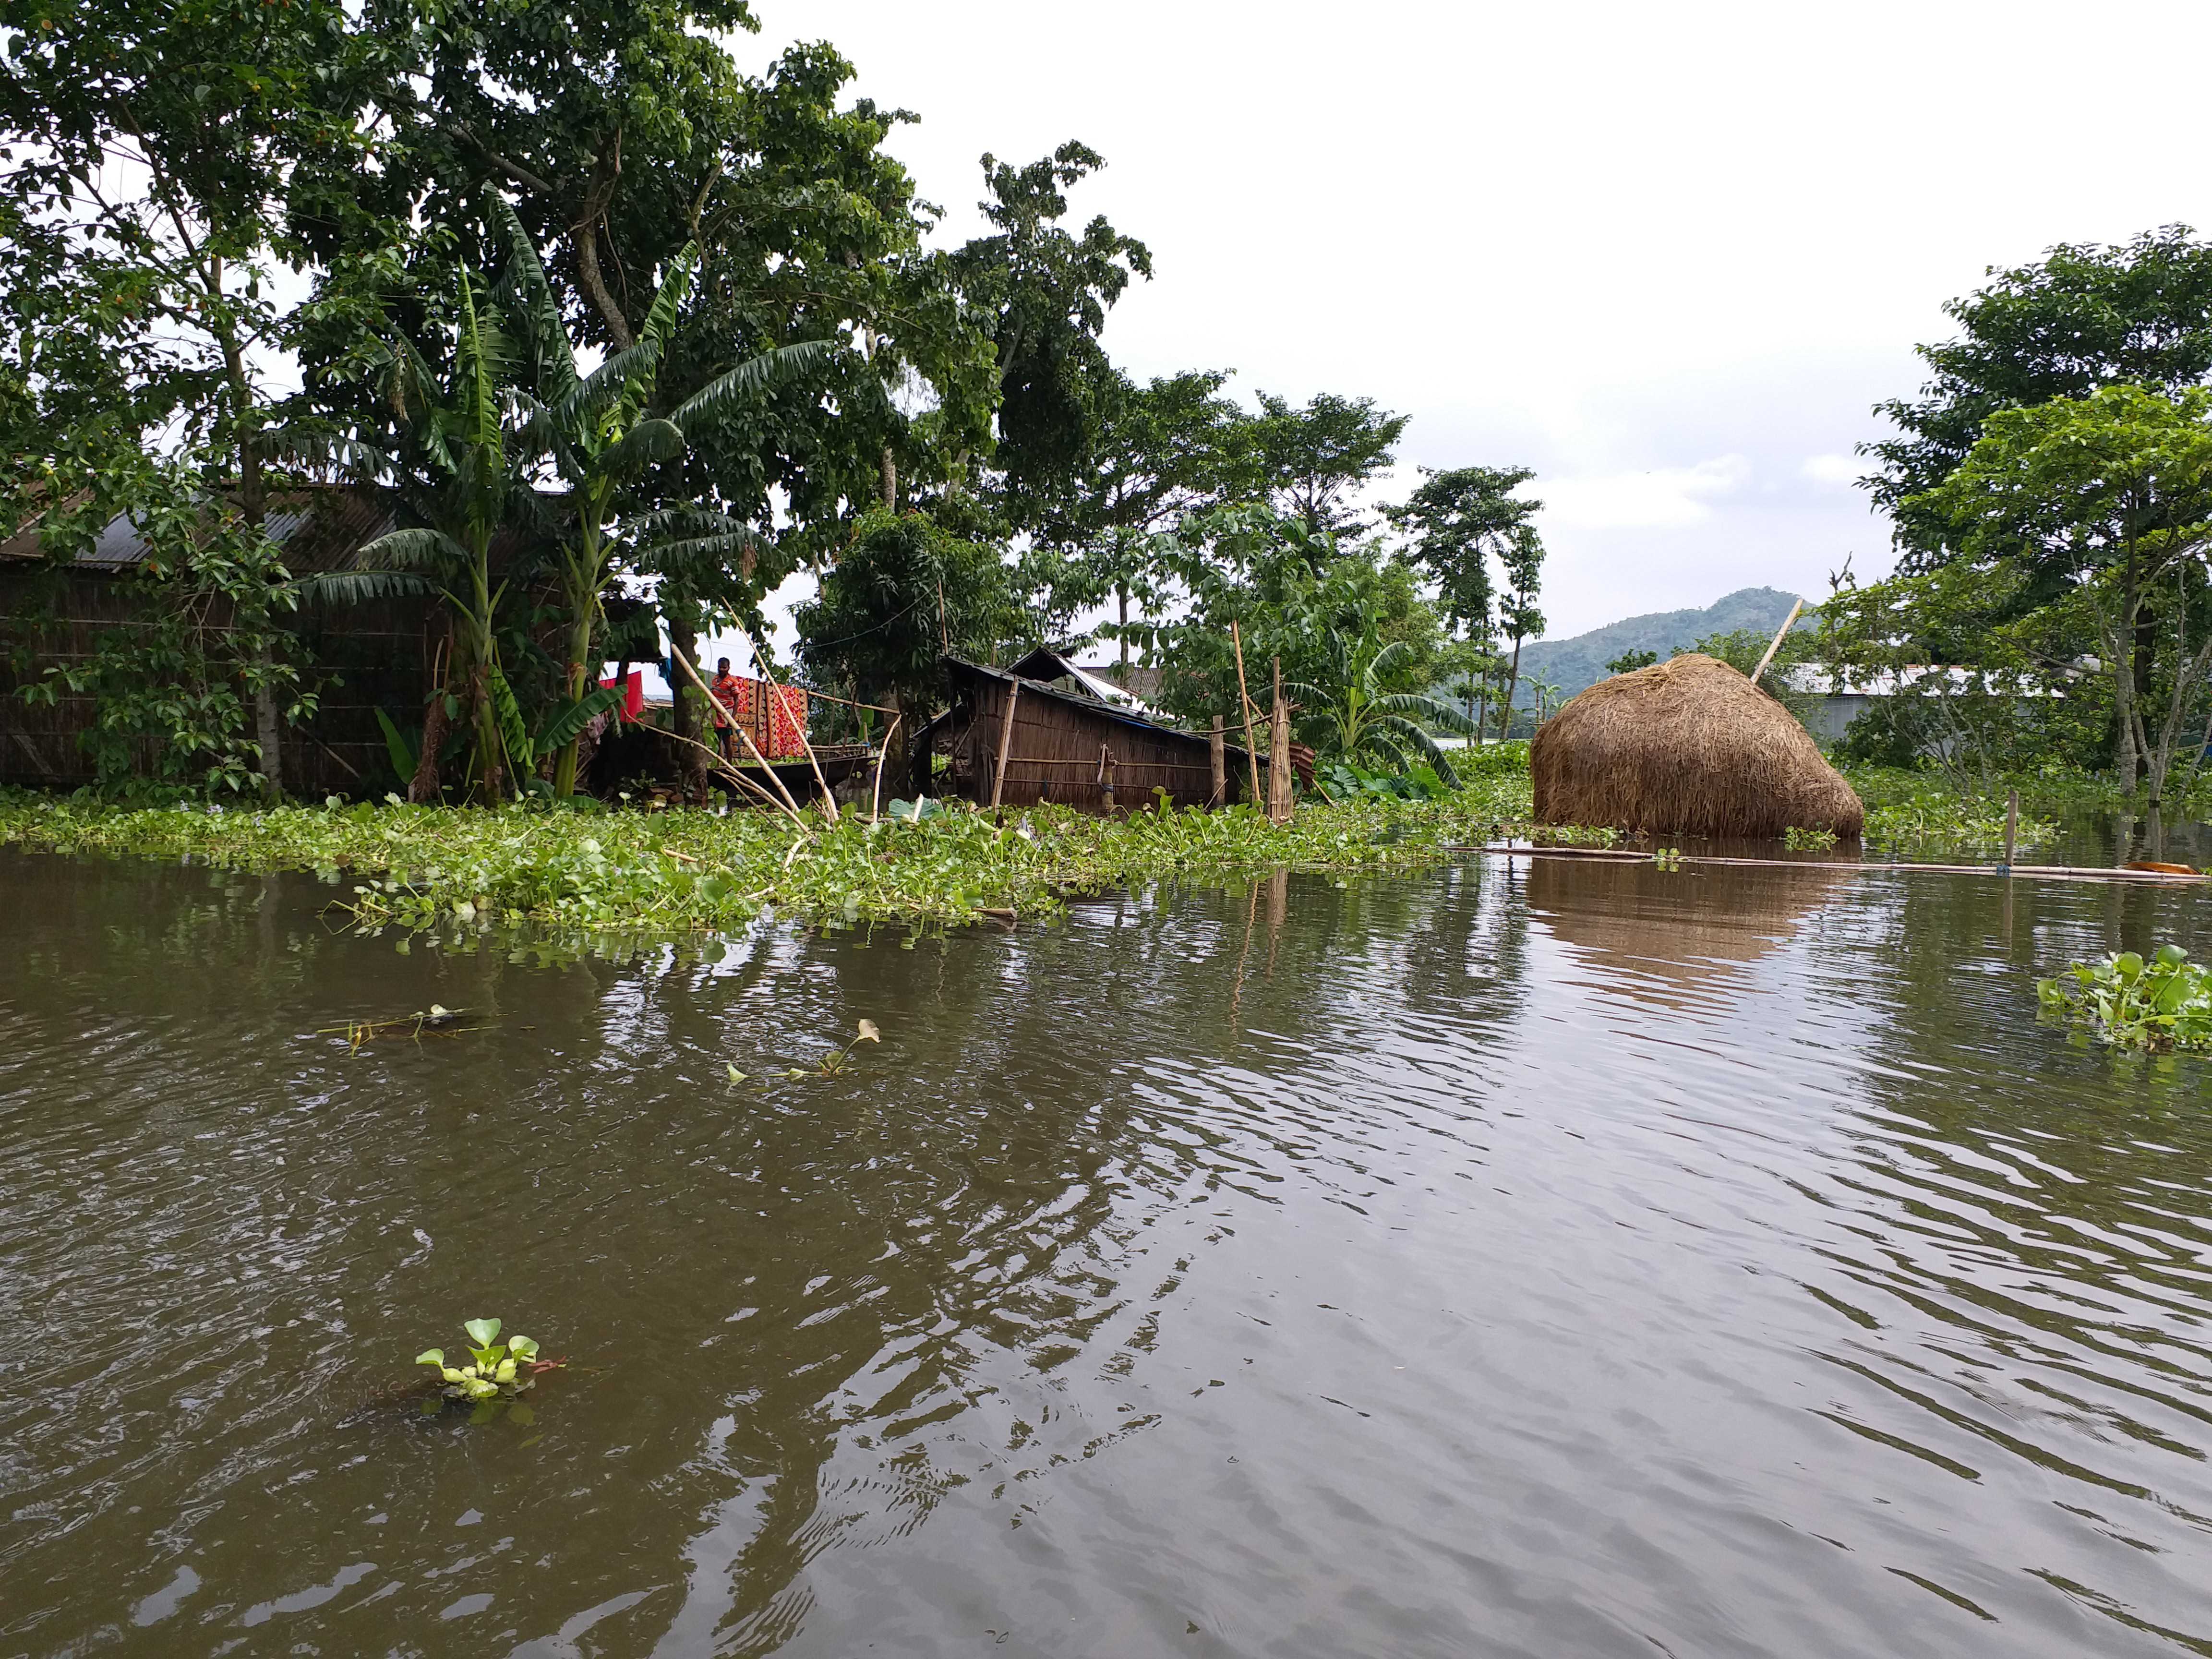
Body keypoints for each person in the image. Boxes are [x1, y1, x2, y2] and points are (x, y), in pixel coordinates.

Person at [709, 658, 743, 761]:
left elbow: (737, 701)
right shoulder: (715, 680)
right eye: (720, 667)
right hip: (716, 713)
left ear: (729, 668)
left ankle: (729, 765)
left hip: (727, 713)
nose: (722, 670)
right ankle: (719, 763)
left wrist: (732, 719)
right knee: (717, 740)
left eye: (724, 668)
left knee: (727, 740)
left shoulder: (732, 682)